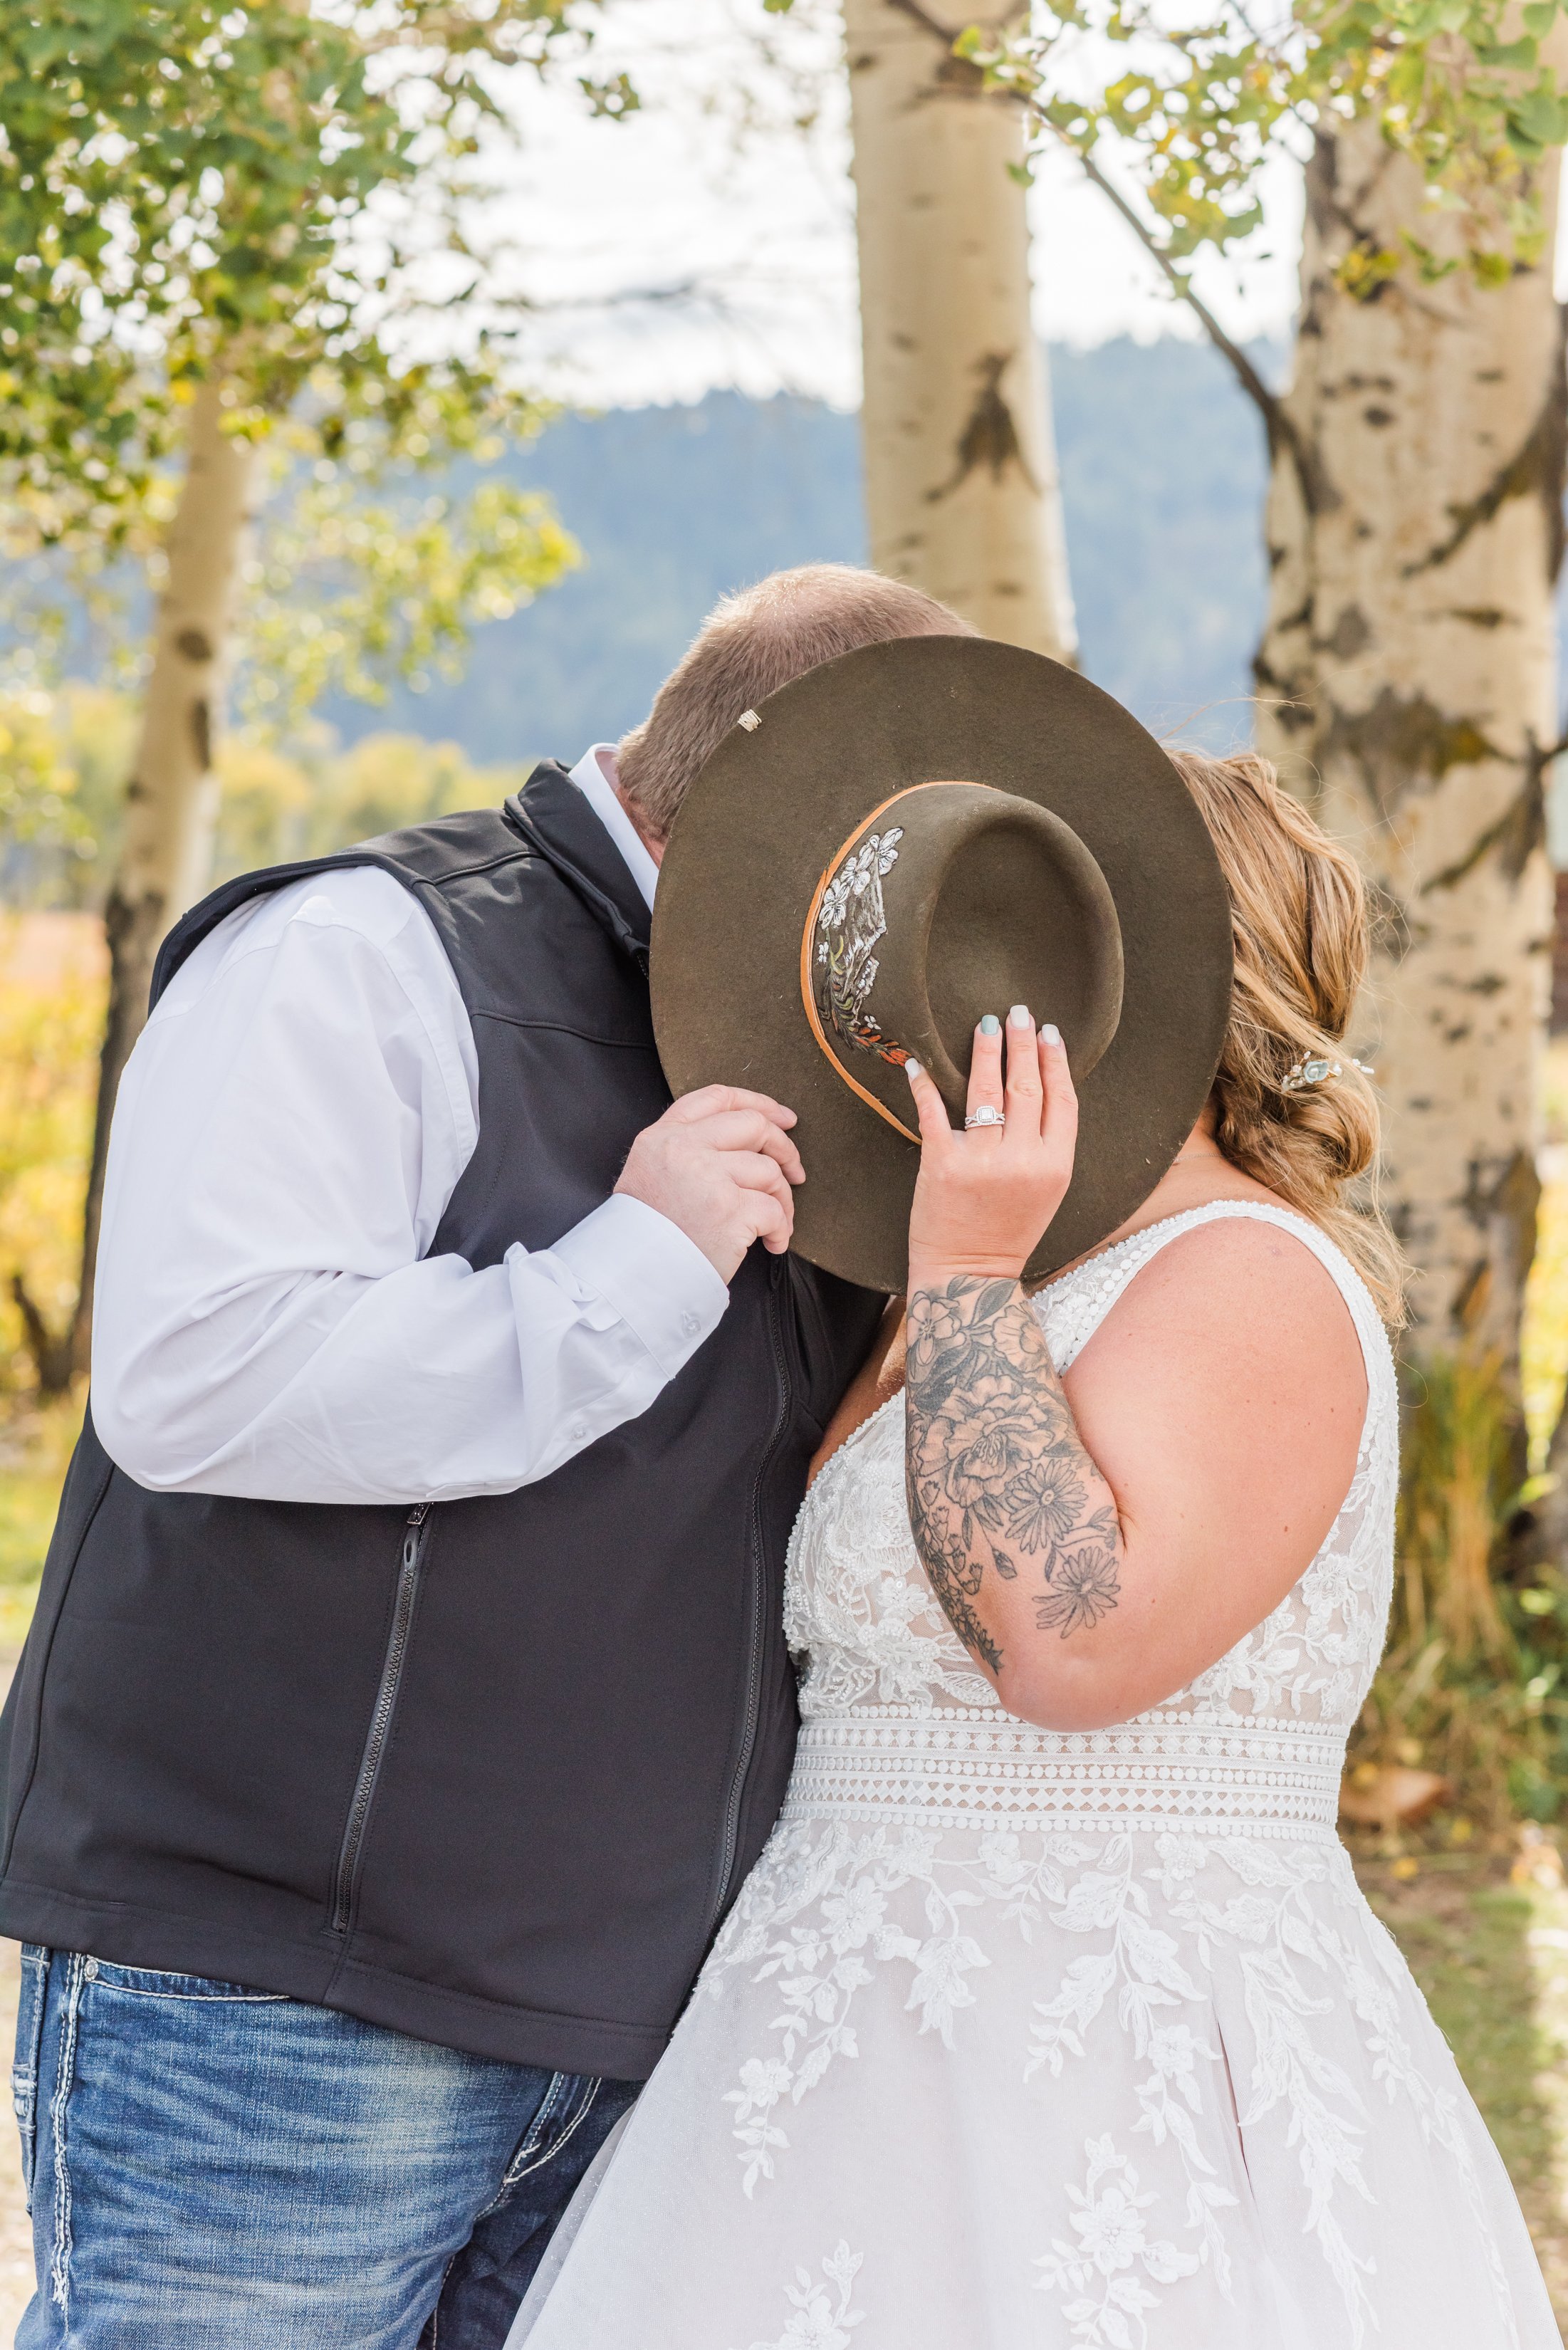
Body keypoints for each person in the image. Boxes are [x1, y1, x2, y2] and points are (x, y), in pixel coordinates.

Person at [0, 568, 980, 2349]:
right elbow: (196, 1375)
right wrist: (638, 1266)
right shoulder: (363, 953)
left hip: (648, 2045)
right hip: (287, 2014)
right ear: (782, 790)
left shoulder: (832, 1044)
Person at [511, 747, 1558, 2349]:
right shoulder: (967, 1273)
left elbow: (1071, 1640)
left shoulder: (1246, 1274)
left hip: (1104, 2081)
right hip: (829, 2051)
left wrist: (976, 1261)